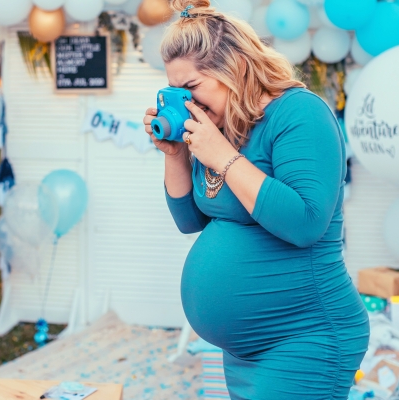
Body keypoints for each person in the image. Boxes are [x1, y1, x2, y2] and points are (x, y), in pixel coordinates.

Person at [142, 1, 370, 398]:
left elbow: (306, 222)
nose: (185, 103)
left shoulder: (298, 113)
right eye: (174, 91)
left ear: (237, 68)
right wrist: (175, 154)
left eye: (191, 88)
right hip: (247, 349)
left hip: (304, 337)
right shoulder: (221, 127)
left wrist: (224, 158)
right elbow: (190, 221)